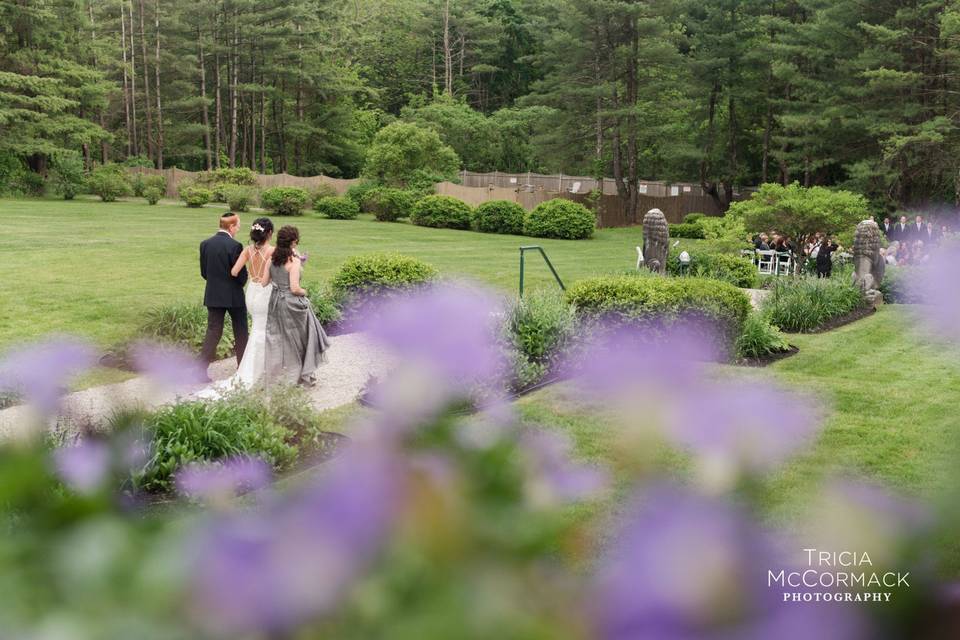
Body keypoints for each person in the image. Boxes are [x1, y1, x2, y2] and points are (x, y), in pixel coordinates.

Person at [264, 226, 330, 386]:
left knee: (281, 339)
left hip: (275, 303)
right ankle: (301, 376)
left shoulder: (271, 259)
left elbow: (264, 282)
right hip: (292, 304)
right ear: (293, 242)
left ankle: (284, 374)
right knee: (301, 338)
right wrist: (305, 292)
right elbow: (295, 288)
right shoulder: (293, 261)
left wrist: (278, 283)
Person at [199, 212, 248, 380]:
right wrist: (238, 285)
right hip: (234, 295)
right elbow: (241, 275)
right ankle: (243, 368)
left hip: (213, 294)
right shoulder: (235, 246)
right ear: (231, 226)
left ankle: (199, 370)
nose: (239, 229)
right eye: (238, 226)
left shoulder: (205, 244)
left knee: (213, 332)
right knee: (241, 331)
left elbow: (204, 272)